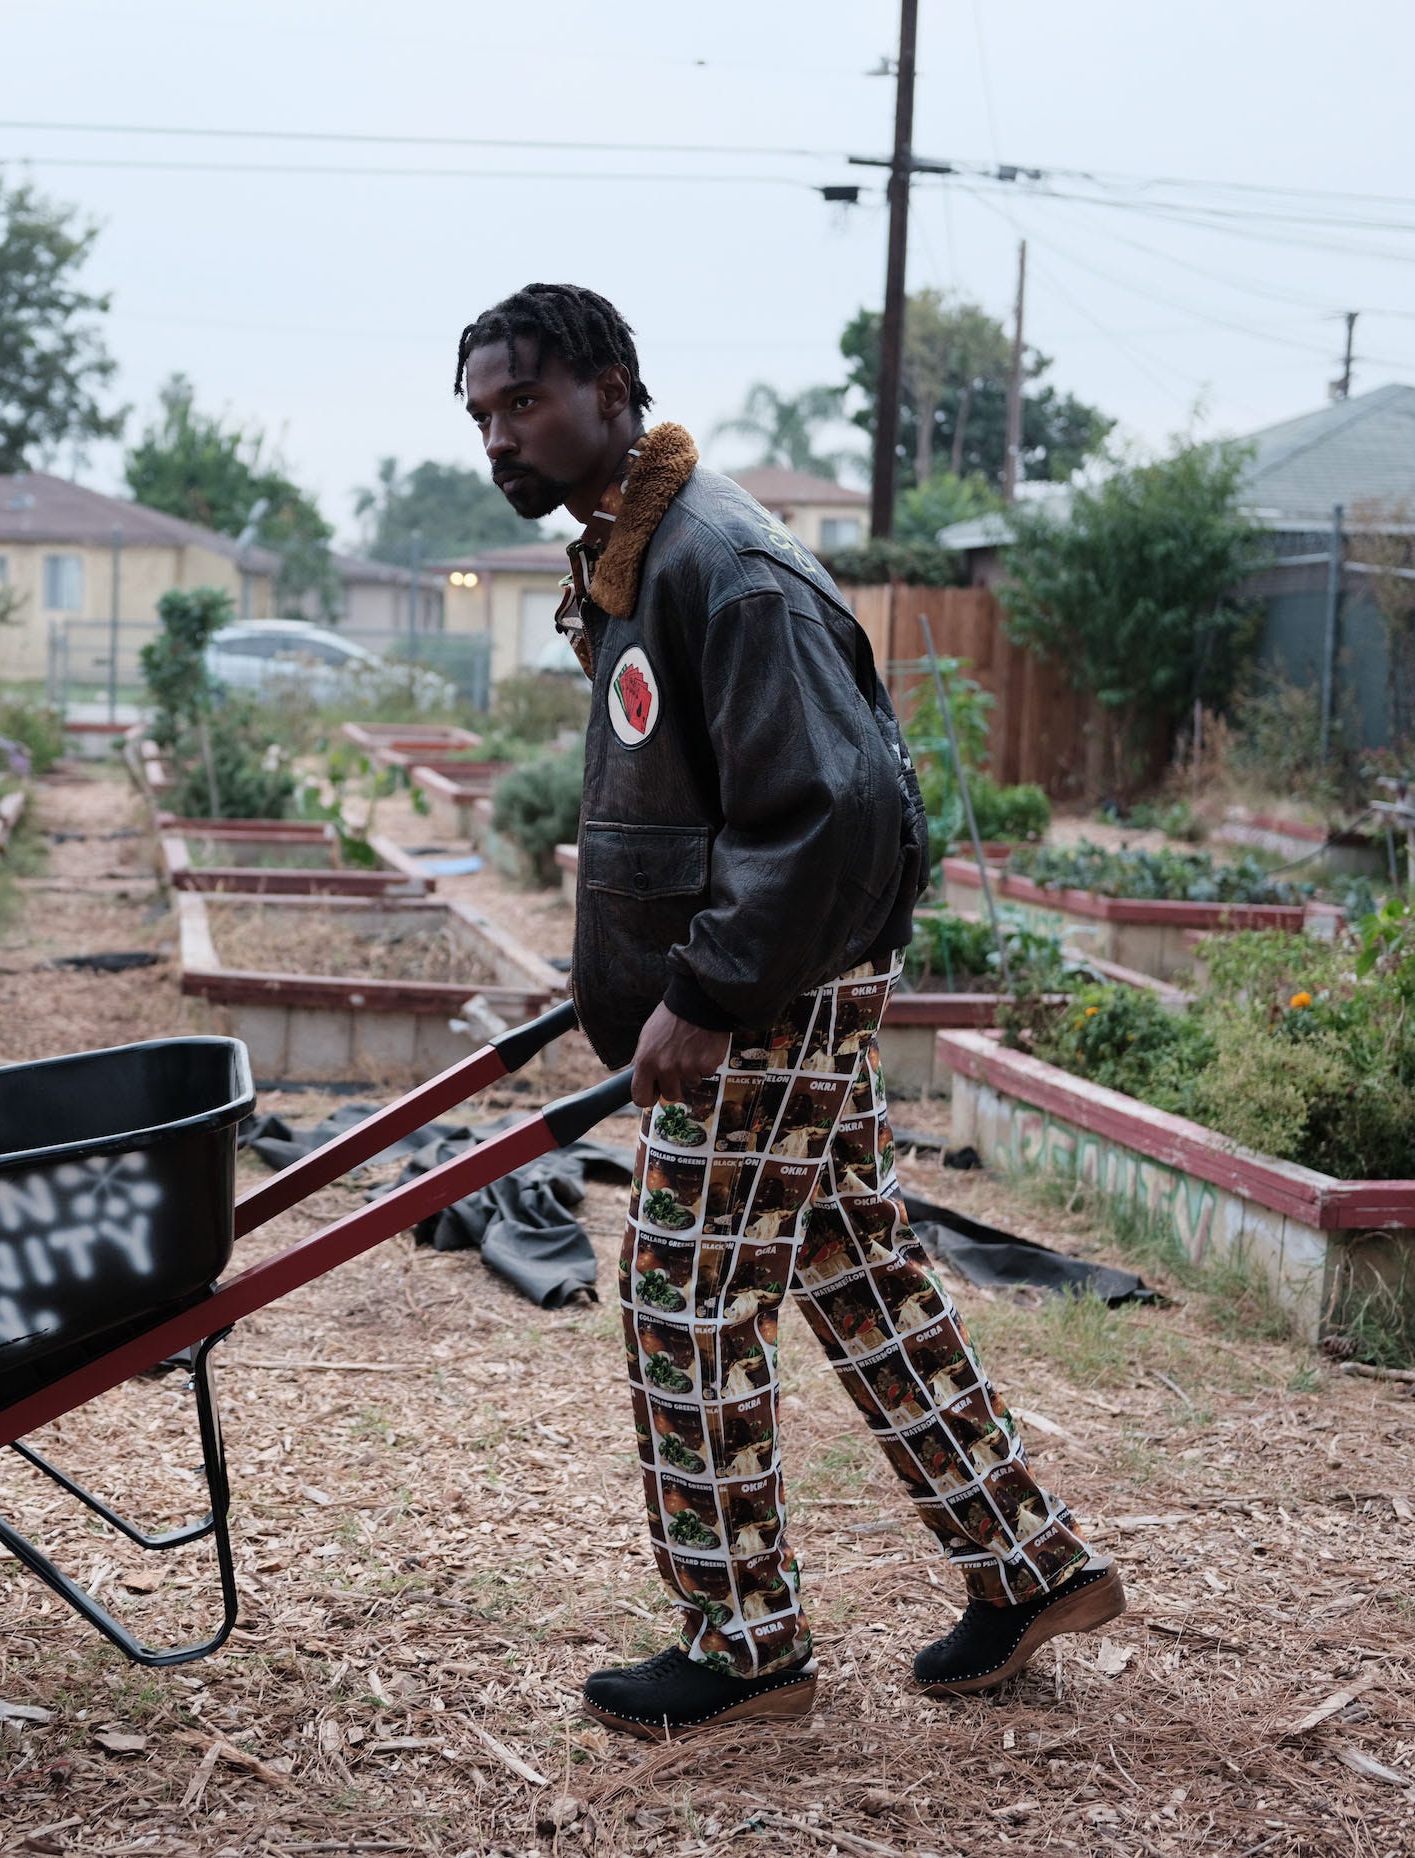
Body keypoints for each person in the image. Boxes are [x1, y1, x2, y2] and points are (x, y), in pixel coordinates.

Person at [454, 283, 1125, 1740]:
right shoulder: (643, 552)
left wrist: (701, 995)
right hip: (762, 984)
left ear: (614, 389)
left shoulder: (724, 564)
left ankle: (746, 1644)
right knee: (855, 1272)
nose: (500, 437)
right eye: (483, 416)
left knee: (683, 1299)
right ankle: (1029, 1564)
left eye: (525, 404)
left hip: (762, 997)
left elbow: (835, 807)